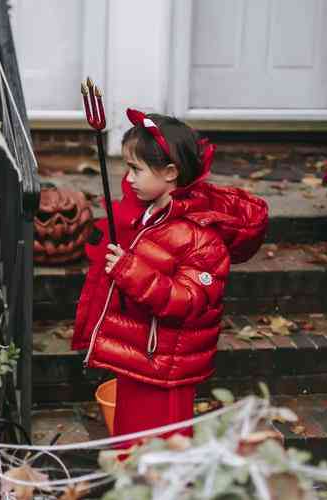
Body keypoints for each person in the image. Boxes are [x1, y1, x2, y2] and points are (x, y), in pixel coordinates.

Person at [72, 109, 268, 445]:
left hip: (166, 369)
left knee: (159, 450)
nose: (128, 178)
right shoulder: (151, 215)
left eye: (136, 169)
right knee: (131, 445)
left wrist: (130, 270)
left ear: (171, 173)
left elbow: (188, 301)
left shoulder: (201, 238)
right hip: (141, 357)